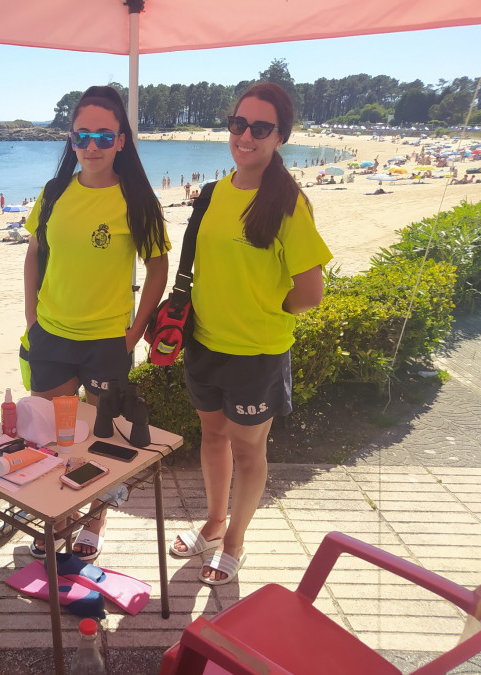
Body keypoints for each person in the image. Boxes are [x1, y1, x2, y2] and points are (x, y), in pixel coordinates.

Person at [170, 83, 331, 586]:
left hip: (257, 355)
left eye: (260, 128)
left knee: (248, 450)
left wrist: (265, 310)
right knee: (212, 436)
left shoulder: (286, 203)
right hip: (204, 342)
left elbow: (310, 291)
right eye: (238, 124)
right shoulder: (215, 193)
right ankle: (214, 523)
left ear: (280, 136)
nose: (246, 136)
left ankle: (236, 540)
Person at [23, 85, 169, 561]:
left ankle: (94, 520)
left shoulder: (138, 201)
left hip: (107, 340)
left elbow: (158, 267)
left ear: (122, 141)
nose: (92, 146)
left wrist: (133, 333)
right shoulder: (52, 193)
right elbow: (34, 255)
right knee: (53, 436)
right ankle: (57, 514)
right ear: (71, 140)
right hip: (51, 335)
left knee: (102, 440)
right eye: (82, 136)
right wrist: (31, 317)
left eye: (104, 137)